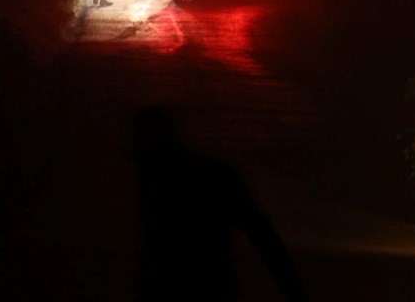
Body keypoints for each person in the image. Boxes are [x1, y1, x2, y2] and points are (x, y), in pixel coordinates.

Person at [131, 106, 309, 301]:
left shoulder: (158, 181)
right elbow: (262, 235)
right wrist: (292, 289)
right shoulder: (215, 175)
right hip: (213, 288)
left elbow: (261, 234)